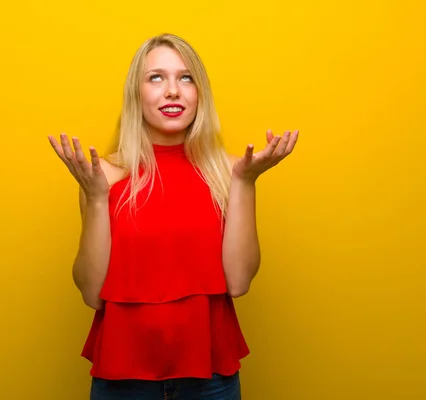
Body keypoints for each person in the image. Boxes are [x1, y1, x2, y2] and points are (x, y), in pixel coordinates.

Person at [47, 33, 299, 400]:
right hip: (122, 380)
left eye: (185, 78)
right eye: (156, 78)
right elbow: (90, 293)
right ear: (136, 94)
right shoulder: (103, 175)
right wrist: (97, 199)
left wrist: (246, 183)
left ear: (200, 93)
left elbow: (239, 282)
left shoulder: (230, 173)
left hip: (211, 380)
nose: (172, 91)